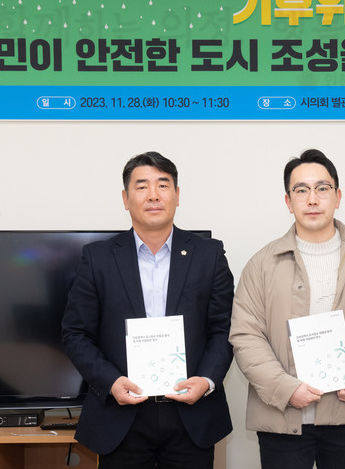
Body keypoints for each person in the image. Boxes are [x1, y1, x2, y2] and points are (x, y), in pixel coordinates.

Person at [229, 148, 345, 469]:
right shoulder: (262, 264)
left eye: (322, 188)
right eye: (301, 190)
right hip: (282, 417)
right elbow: (246, 335)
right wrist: (285, 389)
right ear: (288, 201)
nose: (312, 199)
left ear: (337, 196)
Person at [62, 151, 234, 468]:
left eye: (163, 185)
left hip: (190, 415)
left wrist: (206, 380)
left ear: (177, 195)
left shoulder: (209, 254)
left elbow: (224, 329)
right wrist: (111, 382)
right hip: (121, 416)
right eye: (142, 186)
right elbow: (76, 334)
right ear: (125, 198)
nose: (153, 195)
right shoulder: (97, 258)